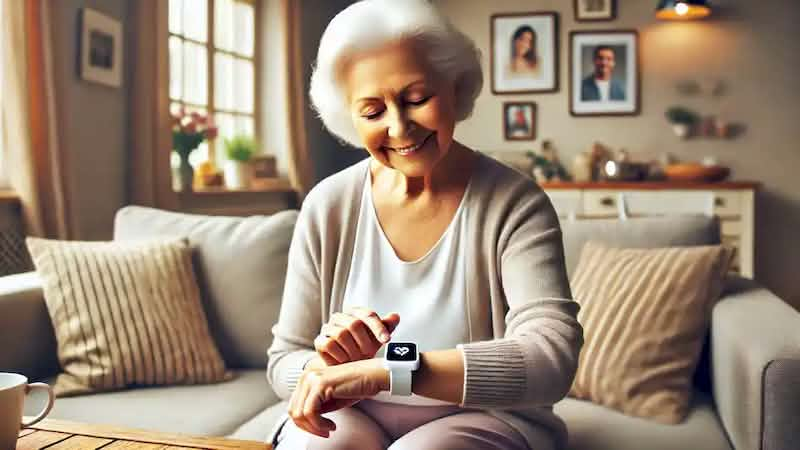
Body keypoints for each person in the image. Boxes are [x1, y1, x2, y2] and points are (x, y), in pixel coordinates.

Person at [266, 1, 583, 449]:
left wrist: (388, 372)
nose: (399, 128)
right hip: (351, 414)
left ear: (454, 87)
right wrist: (324, 370)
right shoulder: (327, 204)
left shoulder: (515, 203)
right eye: (373, 112)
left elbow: (552, 358)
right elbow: (283, 360)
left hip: (484, 418)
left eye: (417, 99)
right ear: (350, 118)